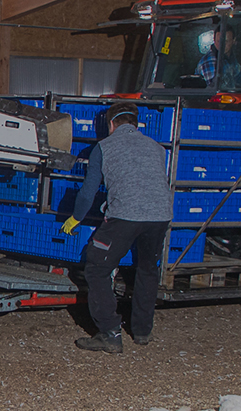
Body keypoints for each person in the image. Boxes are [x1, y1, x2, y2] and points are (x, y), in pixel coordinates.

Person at [62, 104, 173, 354]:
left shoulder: (103, 146)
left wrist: (75, 219)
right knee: (147, 269)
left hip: (125, 215)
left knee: (98, 267)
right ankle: (143, 331)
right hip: (160, 215)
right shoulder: (157, 148)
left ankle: (109, 333)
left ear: (111, 125)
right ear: (136, 124)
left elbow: (88, 192)